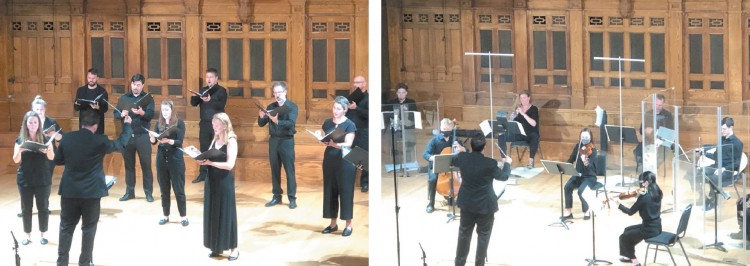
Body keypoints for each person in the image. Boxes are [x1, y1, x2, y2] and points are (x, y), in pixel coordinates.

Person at [55, 110, 132, 266]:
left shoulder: (67, 138)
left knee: (66, 227)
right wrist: (127, 125)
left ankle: (62, 262)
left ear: (81, 122)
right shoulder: (100, 141)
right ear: (96, 126)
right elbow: (121, 143)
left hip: (69, 191)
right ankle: (84, 262)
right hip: (91, 193)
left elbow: (58, 160)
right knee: (89, 229)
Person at [452, 135, 511, 266]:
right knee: (483, 237)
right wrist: (507, 163)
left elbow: (456, 160)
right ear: (484, 147)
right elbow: (504, 176)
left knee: (464, 235)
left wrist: (461, 151)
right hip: (485, 206)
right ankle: (479, 264)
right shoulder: (490, 163)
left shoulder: (462, 158)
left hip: (467, 204)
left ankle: (459, 263)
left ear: (471, 146)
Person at [197, 113, 239, 260]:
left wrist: (210, 163)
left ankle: (234, 249)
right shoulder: (215, 138)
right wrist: (201, 158)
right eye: (213, 124)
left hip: (224, 181)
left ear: (224, 125)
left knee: (227, 213)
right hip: (212, 180)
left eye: (217, 125)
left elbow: (229, 165)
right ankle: (217, 246)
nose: (214, 127)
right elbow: (210, 155)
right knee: (213, 212)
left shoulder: (231, 140)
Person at [13, 111, 55, 245]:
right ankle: (28, 235)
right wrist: (19, 150)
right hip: (25, 178)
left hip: (42, 178)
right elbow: (15, 160)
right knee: (26, 208)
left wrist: (49, 150)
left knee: (43, 207)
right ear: (26, 124)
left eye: (35, 122)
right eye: (30, 122)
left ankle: (43, 235)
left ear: (39, 124)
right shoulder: (20, 139)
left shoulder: (45, 138)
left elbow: (52, 158)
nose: (32, 125)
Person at [319, 96, 357, 236]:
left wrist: (335, 144)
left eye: (338, 109)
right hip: (329, 159)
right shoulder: (327, 122)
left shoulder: (349, 124)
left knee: (346, 192)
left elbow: (348, 144)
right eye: (334, 108)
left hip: (345, 161)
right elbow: (324, 138)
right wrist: (322, 139)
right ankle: (333, 224)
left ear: (345, 110)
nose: (335, 111)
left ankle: (348, 225)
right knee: (330, 190)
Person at [115, 73, 155, 202]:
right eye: (133, 84)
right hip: (127, 137)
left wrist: (141, 112)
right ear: (131, 84)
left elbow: (150, 115)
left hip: (143, 136)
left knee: (146, 165)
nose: (135, 87)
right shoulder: (124, 98)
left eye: (138, 85)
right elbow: (115, 113)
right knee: (129, 166)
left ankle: (148, 192)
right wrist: (122, 114)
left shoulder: (148, 98)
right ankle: (129, 192)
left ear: (143, 85)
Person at [259, 82, 299, 209]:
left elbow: (291, 123)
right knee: (274, 169)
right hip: (274, 141)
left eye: (279, 92)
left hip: (286, 141)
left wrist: (278, 121)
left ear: (285, 91)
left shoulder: (292, 106)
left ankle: (292, 198)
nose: (277, 95)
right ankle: (277, 196)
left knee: (289, 170)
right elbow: (261, 124)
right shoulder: (271, 106)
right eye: (275, 93)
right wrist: (261, 117)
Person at [611, 171, 663, 266]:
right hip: (656, 226)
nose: (640, 184)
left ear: (646, 183)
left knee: (623, 237)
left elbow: (630, 212)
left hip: (648, 229)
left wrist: (618, 204)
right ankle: (628, 255)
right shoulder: (657, 192)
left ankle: (635, 262)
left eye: (641, 182)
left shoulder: (644, 197)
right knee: (627, 230)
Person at [150, 99, 188, 226]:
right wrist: (152, 139)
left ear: (172, 110)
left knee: (178, 189)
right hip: (161, 159)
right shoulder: (158, 123)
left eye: (167, 110)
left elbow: (179, 142)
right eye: (163, 110)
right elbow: (155, 142)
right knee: (164, 190)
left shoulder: (179, 123)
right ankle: (165, 215)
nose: (165, 112)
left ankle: (183, 217)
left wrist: (169, 141)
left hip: (175, 159)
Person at [696, 117, 744, 211]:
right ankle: (706, 198)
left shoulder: (738, 143)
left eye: (724, 129)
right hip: (717, 167)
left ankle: (713, 202)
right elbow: (716, 155)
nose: (722, 131)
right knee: (697, 172)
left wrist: (724, 169)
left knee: (713, 178)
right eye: (721, 129)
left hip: (729, 170)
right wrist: (703, 152)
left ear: (731, 128)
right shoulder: (722, 139)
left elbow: (737, 163)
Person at [190, 68, 227, 184]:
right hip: (205, 124)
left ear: (216, 78)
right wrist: (195, 96)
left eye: (211, 77)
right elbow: (193, 103)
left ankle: (216, 173)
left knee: (216, 149)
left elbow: (221, 105)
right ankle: (203, 173)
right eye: (207, 77)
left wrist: (210, 100)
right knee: (204, 148)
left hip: (217, 125)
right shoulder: (204, 90)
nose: (208, 79)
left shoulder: (222, 91)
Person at [422, 118, 463, 213]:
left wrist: (461, 148)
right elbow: (425, 154)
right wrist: (433, 158)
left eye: (448, 130)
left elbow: (465, 151)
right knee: (432, 180)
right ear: (441, 128)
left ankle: (452, 197)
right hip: (437, 167)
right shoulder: (434, 141)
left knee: (461, 178)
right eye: (444, 129)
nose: (446, 131)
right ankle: (431, 203)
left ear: (451, 129)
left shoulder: (455, 140)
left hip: (452, 166)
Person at [561, 128, 599, 220]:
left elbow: (592, 167)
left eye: (586, 136)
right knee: (567, 187)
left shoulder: (593, 150)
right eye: (582, 136)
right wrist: (564, 166)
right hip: (578, 175)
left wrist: (586, 162)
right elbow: (571, 159)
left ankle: (587, 210)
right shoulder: (578, 146)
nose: (584, 138)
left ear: (590, 137)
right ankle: (568, 211)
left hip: (589, 177)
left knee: (581, 191)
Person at [498, 90, 540, 168]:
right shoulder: (518, 109)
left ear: (529, 98)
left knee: (535, 136)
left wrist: (523, 114)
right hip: (519, 134)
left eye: (524, 98)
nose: (523, 100)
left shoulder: (534, 109)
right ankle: (504, 160)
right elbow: (511, 124)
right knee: (501, 135)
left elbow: (533, 123)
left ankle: (531, 161)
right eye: (521, 98)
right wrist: (511, 118)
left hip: (529, 135)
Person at [634, 94, 673, 174]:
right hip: (649, 140)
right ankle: (643, 170)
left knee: (656, 154)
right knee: (637, 151)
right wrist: (645, 130)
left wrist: (654, 131)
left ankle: (650, 171)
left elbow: (670, 131)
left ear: (663, 104)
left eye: (660, 105)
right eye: (656, 104)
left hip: (661, 142)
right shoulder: (648, 114)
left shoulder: (668, 115)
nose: (658, 107)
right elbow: (641, 131)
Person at [346, 75, 369, 192]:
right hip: (351, 131)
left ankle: (365, 183)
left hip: (363, 131)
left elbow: (369, 114)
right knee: (351, 156)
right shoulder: (352, 98)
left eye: (358, 82)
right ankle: (349, 181)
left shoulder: (368, 98)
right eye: (354, 83)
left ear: (364, 83)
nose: (355, 85)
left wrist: (357, 108)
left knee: (364, 156)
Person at [74, 68, 108, 135]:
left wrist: (98, 107)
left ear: (97, 78)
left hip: (98, 125)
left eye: (93, 78)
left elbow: (105, 108)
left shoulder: (102, 91)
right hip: (84, 123)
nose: (91, 80)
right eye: (89, 78)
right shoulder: (81, 90)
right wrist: (77, 104)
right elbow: (76, 108)